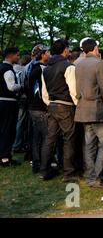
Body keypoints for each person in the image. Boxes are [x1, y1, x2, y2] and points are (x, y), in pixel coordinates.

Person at [74, 39, 103, 188]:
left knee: (89, 145)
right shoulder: (99, 63)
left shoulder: (78, 64)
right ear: (95, 48)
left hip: (83, 108)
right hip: (98, 110)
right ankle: (96, 177)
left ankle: (90, 176)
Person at [40, 39, 78, 182]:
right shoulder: (68, 66)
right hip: (65, 106)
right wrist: (77, 104)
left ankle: (44, 170)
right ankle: (69, 173)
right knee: (69, 138)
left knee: (50, 139)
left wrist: (50, 104)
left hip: (51, 106)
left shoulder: (46, 68)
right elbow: (73, 90)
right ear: (65, 50)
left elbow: (44, 92)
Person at [26, 44, 50, 173]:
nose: (49, 54)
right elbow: (42, 90)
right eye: (47, 52)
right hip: (40, 107)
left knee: (36, 136)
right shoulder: (41, 68)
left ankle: (36, 163)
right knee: (46, 136)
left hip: (32, 107)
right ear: (42, 54)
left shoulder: (31, 67)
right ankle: (43, 166)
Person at [0, 47, 21, 167]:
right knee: (8, 130)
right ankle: (5, 158)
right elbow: (11, 87)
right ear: (11, 55)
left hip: (1, 102)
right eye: (17, 55)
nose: (18, 57)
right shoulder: (7, 69)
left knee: (2, 130)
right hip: (8, 103)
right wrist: (22, 86)